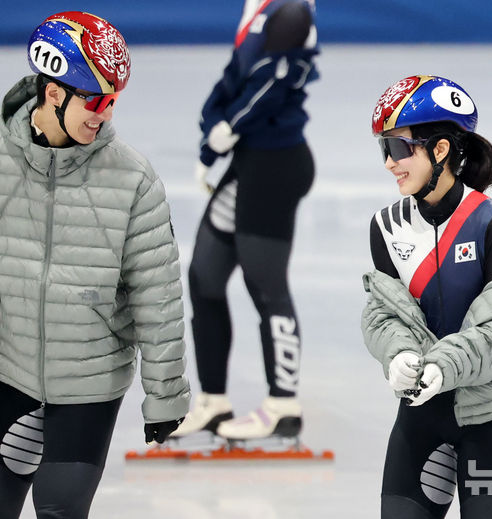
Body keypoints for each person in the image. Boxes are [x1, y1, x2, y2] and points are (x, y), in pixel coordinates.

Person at [0, 11, 189, 518]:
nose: (104, 115)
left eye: (113, 102)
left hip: (90, 387)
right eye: (96, 101)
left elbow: (157, 294)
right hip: (7, 375)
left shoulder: (133, 179)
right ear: (53, 93)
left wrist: (165, 395)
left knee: (61, 511)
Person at [361, 75, 492, 518]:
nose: (389, 163)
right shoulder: (386, 227)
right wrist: (397, 353)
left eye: (397, 148)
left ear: (440, 150)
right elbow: (384, 315)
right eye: (383, 149)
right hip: (421, 421)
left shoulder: (490, 223)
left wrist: (445, 365)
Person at [172, 0, 319, 441]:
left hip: (275, 169)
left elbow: (270, 83)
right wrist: (211, 134)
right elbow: (234, 75)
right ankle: (213, 402)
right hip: (247, 164)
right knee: (205, 276)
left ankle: (283, 406)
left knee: (266, 286)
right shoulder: (258, 6)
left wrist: (227, 128)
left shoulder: (293, 11)